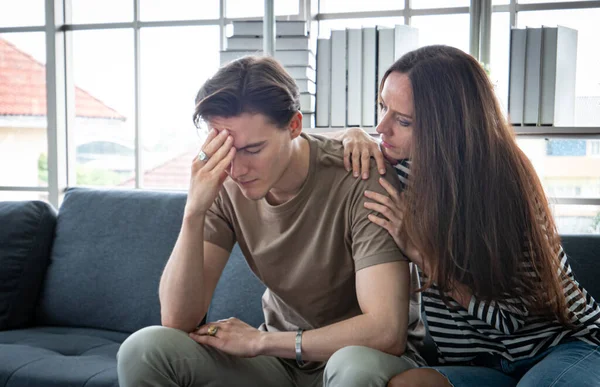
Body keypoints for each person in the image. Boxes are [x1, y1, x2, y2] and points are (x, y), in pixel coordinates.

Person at [116, 55, 426, 387]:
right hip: (278, 365)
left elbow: (385, 331)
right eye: (225, 149)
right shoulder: (226, 182)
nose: (237, 169)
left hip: (362, 358)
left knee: (353, 367)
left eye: (252, 149)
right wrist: (194, 212)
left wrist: (261, 341)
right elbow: (177, 319)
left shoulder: (361, 175)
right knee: (145, 349)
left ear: (294, 125)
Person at [336, 45, 600, 387]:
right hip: (480, 365)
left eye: (402, 120)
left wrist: (422, 255)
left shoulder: (504, 181)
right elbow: (302, 149)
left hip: (559, 347)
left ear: (446, 128)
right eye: (383, 106)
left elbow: (509, 321)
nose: (380, 127)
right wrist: (349, 136)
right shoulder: (399, 173)